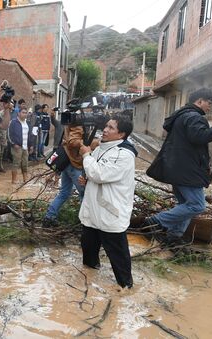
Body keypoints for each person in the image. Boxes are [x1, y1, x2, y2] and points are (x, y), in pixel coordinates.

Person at [143, 88, 212, 246]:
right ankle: (155, 221)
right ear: (199, 101)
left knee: (185, 205)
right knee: (197, 205)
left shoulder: (183, 115)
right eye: (208, 103)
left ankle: (174, 236)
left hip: (178, 168)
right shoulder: (194, 117)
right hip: (186, 170)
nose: (209, 107)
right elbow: (200, 137)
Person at [78, 116, 137, 289]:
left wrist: (86, 155)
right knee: (88, 250)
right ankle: (89, 279)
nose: (105, 130)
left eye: (111, 128)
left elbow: (100, 174)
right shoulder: (101, 149)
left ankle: (126, 288)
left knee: (118, 256)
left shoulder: (124, 154)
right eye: (106, 126)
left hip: (110, 213)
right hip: (92, 212)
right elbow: (93, 173)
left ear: (121, 134)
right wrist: (87, 179)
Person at [43, 113, 89, 227]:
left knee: (64, 192)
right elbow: (73, 142)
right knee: (85, 193)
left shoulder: (69, 124)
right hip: (75, 165)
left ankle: (49, 217)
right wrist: (89, 143)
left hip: (67, 163)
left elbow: (68, 140)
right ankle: (85, 223)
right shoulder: (77, 125)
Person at [8, 107, 31, 183]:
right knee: (16, 164)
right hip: (17, 147)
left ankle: (25, 180)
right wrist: (14, 144)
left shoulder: (26, 122)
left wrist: (30, 145)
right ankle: (13, 180)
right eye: (23, 112)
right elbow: (9, 134)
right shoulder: (13, 122)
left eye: (26, 113)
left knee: (25, 164)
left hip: (25, 147)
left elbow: (29, 135)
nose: (25, 114)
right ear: (18, 113)